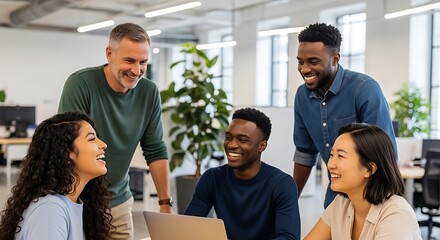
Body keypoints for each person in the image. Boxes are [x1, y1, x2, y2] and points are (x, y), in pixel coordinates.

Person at [58, 23, 171, 239]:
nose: (136, 70)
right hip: (77, 200)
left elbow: (155, 149)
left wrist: (165, 203)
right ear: (109, 54)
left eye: (143, 62)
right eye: (129, 60)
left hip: (118, 202)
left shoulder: (149, 93)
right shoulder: (81, 84)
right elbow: (66, 147)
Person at [293, 22, 397, 208]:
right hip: (336, 194)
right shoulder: (302, 96)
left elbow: (383, 153)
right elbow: (305, 153)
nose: (304, 69)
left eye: (313, 62)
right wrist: (290, 201)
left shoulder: (364, 89)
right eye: (301, 61)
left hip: (371, 194)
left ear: (335, 59)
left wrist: (378, 207)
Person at [184, 108, 301, 240]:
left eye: (242, 140)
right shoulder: (212, 178)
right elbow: (189, 226)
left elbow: (289, 237)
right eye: (228, 137)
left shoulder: (282, 184)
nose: (232, 145)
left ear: (262, 146)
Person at [0, 111, 113, 240]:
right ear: (66, 153)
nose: (103, 144)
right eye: (92, 139)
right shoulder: (50, 209)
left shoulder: (74, 202)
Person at [304, 123, 421, 240]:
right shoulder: (341, 203)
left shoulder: (397, 214)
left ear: (369, 169)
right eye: (331, 155)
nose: (330, 164)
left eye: (340, 156)